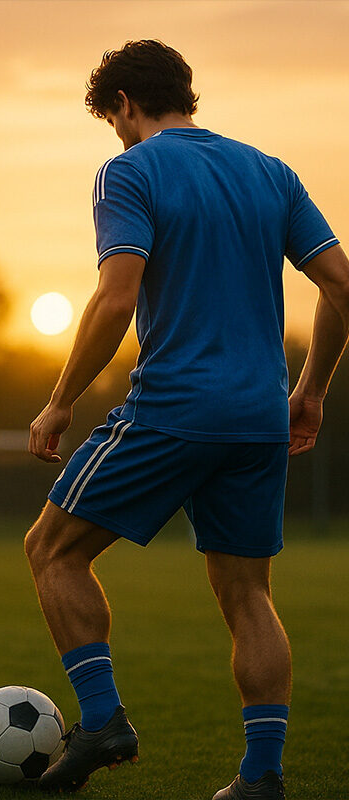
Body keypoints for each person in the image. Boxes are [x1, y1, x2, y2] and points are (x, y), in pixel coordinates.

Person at [25, 39, 349, 799]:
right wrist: (311, 391)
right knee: (248, 595)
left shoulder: (131, 171)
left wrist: (61, 399)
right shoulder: (271, 172)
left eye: (113, 121)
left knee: (52, 550)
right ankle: (261, 777)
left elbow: (116, 296)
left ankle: (101, 720)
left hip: (175, 407)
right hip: (259, 417)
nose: (117, 135)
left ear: (125, 105)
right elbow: (340, 284)